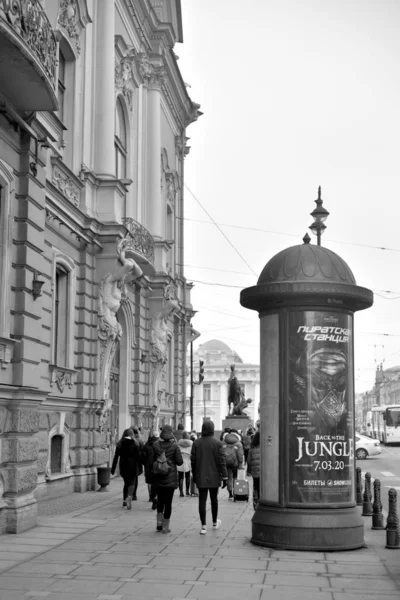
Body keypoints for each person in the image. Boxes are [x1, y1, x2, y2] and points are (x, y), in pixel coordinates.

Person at [191, 420, 228, 535]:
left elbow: (193, 461)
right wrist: (225, 476)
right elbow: (222, 461)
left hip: (201, 475)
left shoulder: (196, 443)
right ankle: (215, 523)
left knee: (202, 500)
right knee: (214, 500)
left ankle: (203, 526)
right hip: (214, 476)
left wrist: (195, 474)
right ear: (212, 429)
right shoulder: (218, 443)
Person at [153, 424, 183, 533]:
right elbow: (180, 462)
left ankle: (159, 524)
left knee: (160, 501)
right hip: (170, 477)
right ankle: (165, 527)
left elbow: (152, 461)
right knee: (168, 503)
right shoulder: (174, 446)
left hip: (158, 477)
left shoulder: (155, 445)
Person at [111, 428, 140, 510]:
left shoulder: (120, 443)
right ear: (132, 434)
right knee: (132, 483)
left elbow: (116, 457)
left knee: (126, 483)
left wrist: (113, 469)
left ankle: (124, 500)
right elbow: (138, 457)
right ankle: (130, 496)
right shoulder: (135, 443)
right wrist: (140, 467)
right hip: (133, 466)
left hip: (123, 465)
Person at [221, 429, 244, 499]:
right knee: (235, 477)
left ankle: (230, 493)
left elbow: (221, 453)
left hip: (227, 463)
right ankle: (236, 492)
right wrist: (241, 463)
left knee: (229, 478)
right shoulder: (238, 443)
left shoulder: (223, 442)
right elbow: (240, 455)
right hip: (235, 464)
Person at [141, 431, 158, 509]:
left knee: (149, 482)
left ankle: (151, 497)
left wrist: (144, 464)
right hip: (157, 466)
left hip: (148, 466)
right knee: (157, 482)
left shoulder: (146, 445)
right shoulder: (159, 444)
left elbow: (143, 458)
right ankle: (156, 496)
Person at [247, 431, 260, 510]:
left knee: (255, 486)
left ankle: (255, 503)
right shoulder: (264, 447)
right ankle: (262, 502)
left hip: (255, 471)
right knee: (261, 487)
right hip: (263, 472)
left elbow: (249, 460)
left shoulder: (252, 447)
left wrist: (249, 470)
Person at [177, 431, 193, 497]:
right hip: (188, 460)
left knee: (180, 476)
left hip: (180, 461)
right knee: (188, 476)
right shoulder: (191, 444)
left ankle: (181, 492)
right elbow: (192, 453)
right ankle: (187, 491)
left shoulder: (179, 443)